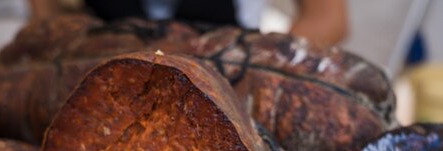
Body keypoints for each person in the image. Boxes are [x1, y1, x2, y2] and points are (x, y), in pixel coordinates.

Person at [30, 0, 348, 47]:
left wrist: (263, 65)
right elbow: (47, 16)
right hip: (102, 60)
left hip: (228, 70)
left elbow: (328, 20)